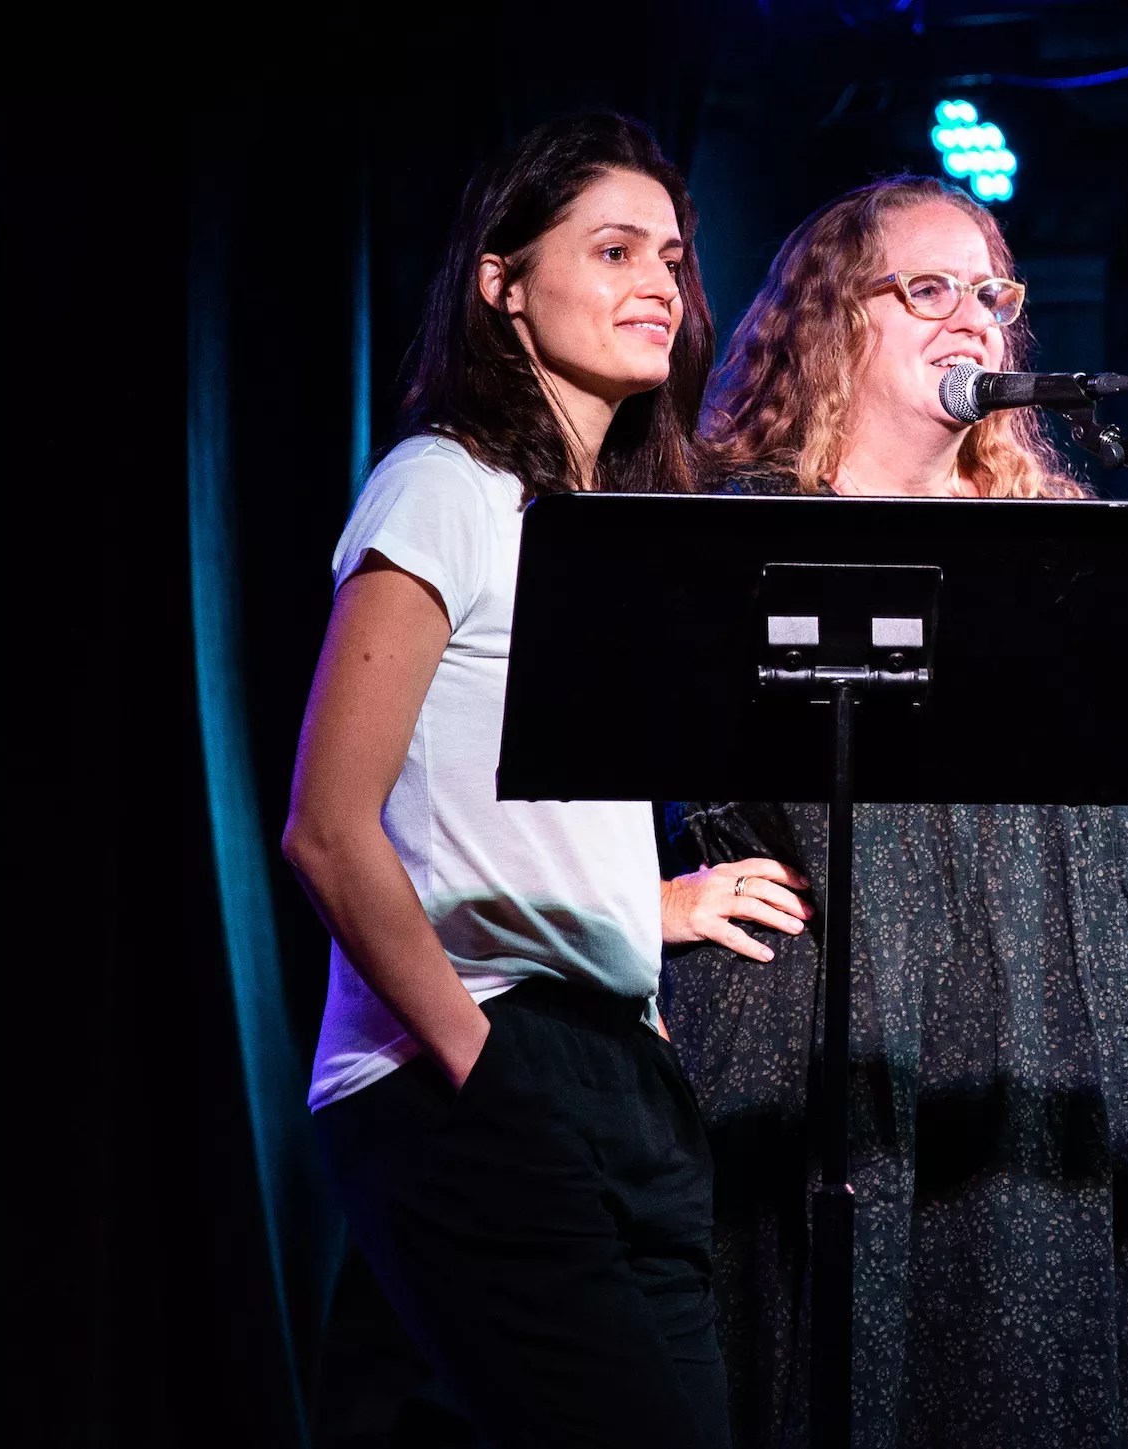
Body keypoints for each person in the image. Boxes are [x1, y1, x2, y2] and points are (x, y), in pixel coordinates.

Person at [669, 175, 1128, 1449]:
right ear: (830, 319)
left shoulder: (1062, 544)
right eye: (927, 290)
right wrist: (665, 899)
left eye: (990, 294)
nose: (973, 320)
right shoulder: (746, 530)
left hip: (1032, 1025)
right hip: (829, 1026)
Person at [285, 111, 795, 1449]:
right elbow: (328, 829)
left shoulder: (602, 531)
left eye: (671, 259)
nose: (658, 284)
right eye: (613, 250)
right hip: (475, 1054)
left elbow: (511, 806)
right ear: (503, 282)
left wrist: (643, 916)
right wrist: (478, 1056)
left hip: (618, 1062)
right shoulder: (440, 485)